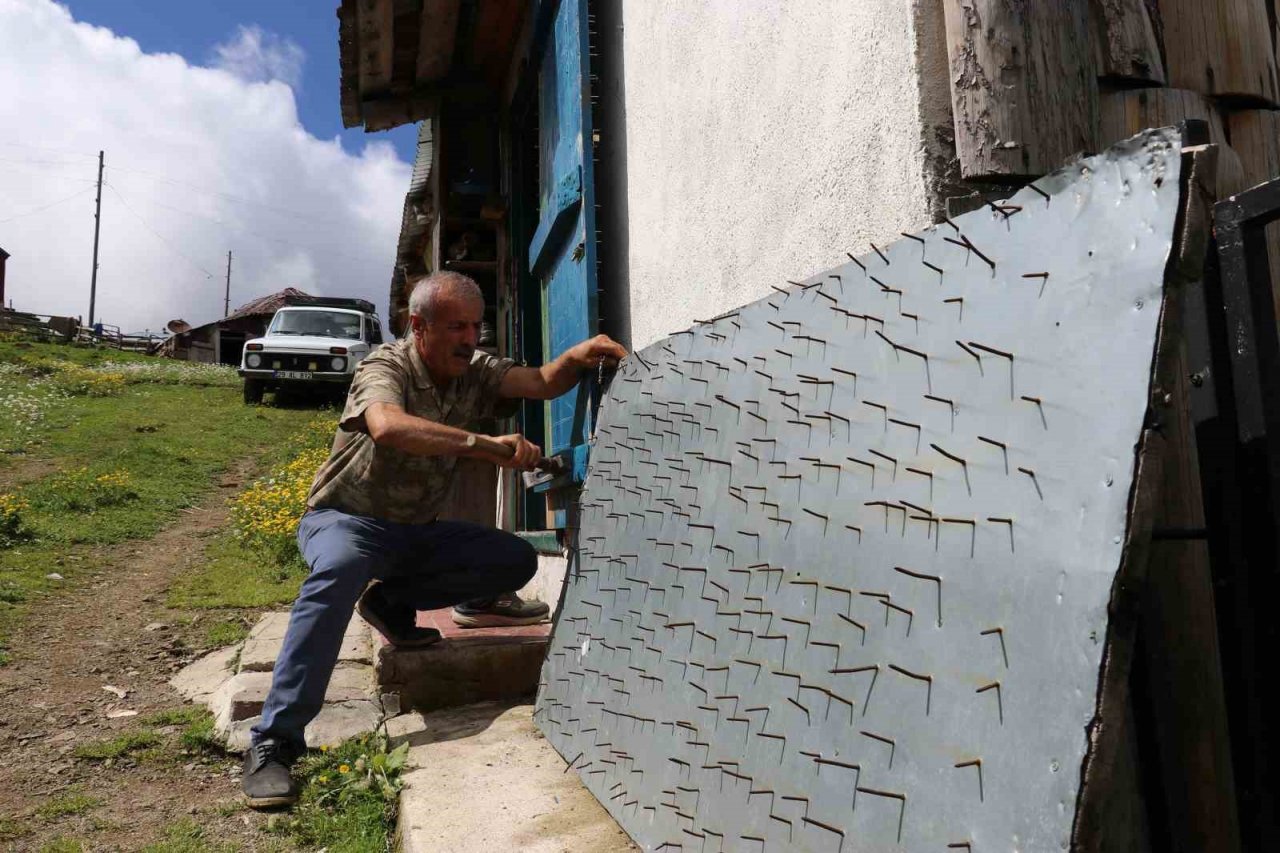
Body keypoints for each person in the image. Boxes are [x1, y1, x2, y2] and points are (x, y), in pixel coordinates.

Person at [242, 271, 627, 807]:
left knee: (512, 559)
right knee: (337, 573)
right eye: (455, 327)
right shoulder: (385, 365)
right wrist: (485, 444)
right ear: (417, 327)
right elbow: (388, 426)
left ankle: (390, 603)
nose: (469, 339)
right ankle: (274, 742)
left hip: (414, 533)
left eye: (475, 326)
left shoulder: (476, 368)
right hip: (346, 520)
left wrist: (577, 356)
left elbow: (539, 382)